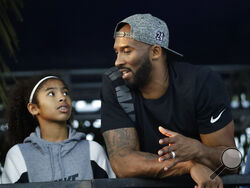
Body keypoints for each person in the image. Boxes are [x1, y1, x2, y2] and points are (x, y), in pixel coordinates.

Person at [100, 13, 236, 187]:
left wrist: (198, 150)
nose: (118, 61)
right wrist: (189, 164)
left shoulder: (201, 83)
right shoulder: (115, 84)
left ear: (155, 51)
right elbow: (122, 162)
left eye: (127, 51)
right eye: (117, 52)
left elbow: (233, 162)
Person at [1, 75, 115, 183]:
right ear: (34, 108)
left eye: (65, 92)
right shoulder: (18, 155)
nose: (62, 97)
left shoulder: (93, 150)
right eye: (51, 94)